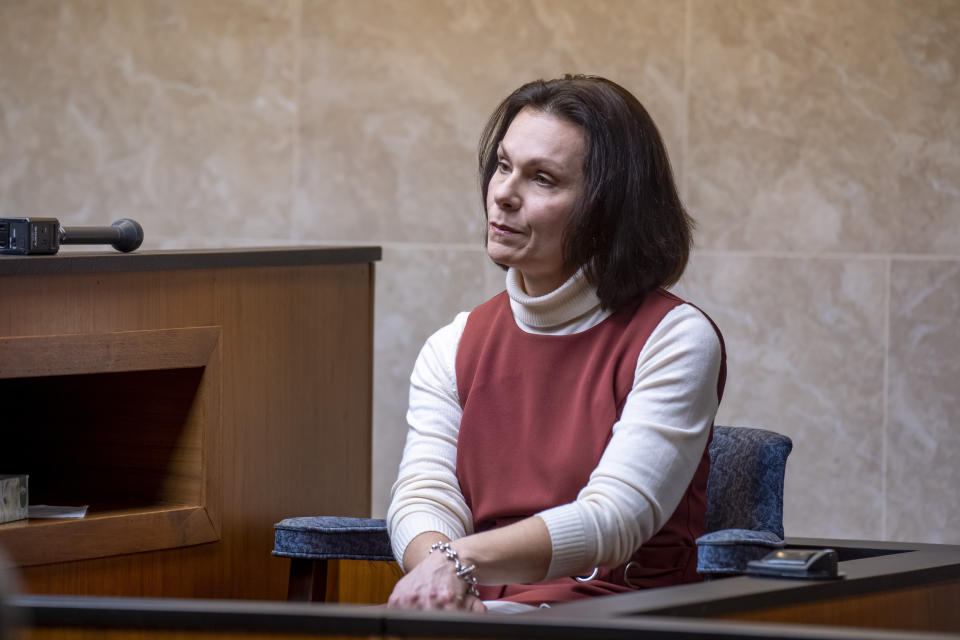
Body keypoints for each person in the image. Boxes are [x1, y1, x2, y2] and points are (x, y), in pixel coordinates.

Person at [386, 75, 725, 613]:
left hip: (618, 613)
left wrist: (456, 564)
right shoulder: (452, 345)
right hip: (479, 612)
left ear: (608, 208)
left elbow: (613, 518)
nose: (503, 193)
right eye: (503, 165)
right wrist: (443, 585)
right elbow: (424, 496)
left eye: (542, 178)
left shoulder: (676, 338)